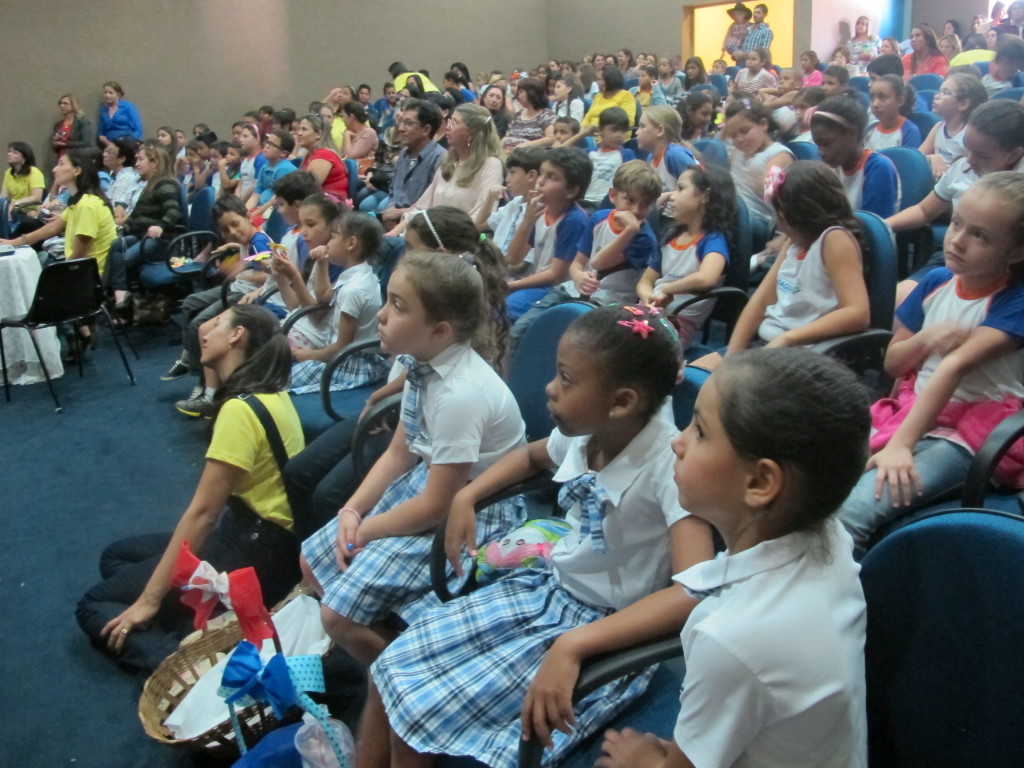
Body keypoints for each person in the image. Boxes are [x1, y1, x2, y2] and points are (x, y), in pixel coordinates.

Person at [369, 304, 714, 768]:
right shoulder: (590, 431)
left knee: (417, 715)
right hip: (546, 590)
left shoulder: (668, 469)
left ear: (622, 402)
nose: (549, 389)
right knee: (387, 671)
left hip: (603, 631)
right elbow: (532, 458)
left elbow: (693, 591)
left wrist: (577, 644)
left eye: (566, 379)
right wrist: (465, 499)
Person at [299, 249, 527, 760]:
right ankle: (381, 663)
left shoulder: (461, 392)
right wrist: (352, 512)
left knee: (336, 614)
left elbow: (432, 508)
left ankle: (399, 690)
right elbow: (401, 452)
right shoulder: (422, 365)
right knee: (311, 563)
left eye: (398, 306)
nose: (380, 315)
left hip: (476, 511)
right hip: (433, 489)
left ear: (441, 330)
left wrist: (366, 532)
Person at [596, 347, 870, 768]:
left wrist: (643, 760)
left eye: (700, 432)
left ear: (760, 482)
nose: (678, 441)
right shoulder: (827, 531)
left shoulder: (733, 639)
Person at [75, 305, 303, 674]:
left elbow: (203, 513)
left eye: (215, 324)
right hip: (265, 538)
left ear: (236, 336)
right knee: (116, 557)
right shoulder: (269, 393)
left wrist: (149, 600)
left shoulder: (239, 410)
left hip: (253, 550)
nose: (204, 332)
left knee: (94, 604)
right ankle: (187, 622)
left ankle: (190, 671)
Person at [283, 207, 513, 541]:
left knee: (328, 496)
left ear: (441, 257)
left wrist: (390, 404)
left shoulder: (465, 340)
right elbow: (420, 372)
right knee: (298, 472)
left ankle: (328, 557)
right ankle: (305, 556)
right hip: (401, 406)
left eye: (412, 248)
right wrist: (382, 395)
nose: (403, 256)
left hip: (421, 429)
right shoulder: (425, 331)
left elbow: (438, 407)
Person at [839, 173, 1024, 557]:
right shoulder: (935, 282)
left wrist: (901, 446)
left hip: (973, 430)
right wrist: (924, 339)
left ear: (1016, 252)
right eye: (956, 223)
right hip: (918, 408)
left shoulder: (1015, 300)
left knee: (852, 513)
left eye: (981, 235)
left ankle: (840, 611)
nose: (956, 239)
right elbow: (892, 362)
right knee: (813, 476)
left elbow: (953, 367)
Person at [693, 161, 869, 370]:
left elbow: (858, 313)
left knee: (719, 395)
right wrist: (731, 356)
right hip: (770, 346)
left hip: (806, 355)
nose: (777, 220)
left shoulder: (835, 240)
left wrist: (789, 338)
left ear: (804, 212)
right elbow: (760, 302)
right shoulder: (794, 242)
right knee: (691, 376)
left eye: (780, 212)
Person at [885, 100, 1024, 287]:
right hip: (954, 258)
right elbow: (924, 211)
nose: (969, 159)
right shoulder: (963, 167)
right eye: (967, 146)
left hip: (1007, 273)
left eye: (982, 155)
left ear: (1014, 155)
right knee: (898, 302)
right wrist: (882, 226)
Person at [170, 195, 275, 417]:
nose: (233, 232)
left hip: (245, 294)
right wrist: (236, 247)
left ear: (248, 217)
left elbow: (270, 274)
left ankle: (205, 387)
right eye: (226, 230)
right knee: (190, 303)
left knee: (201, 324)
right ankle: (189, 356)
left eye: (235, 224)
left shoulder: (259, 241)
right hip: (238, 287)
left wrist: (243, 270)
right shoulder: (248, 240)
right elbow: (249, 251)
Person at [283, 212, 386, 394]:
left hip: (349, 364)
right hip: (340, 356)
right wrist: (322, 263)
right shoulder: (357, 274)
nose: (328, 244)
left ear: (351, 243)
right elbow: (323, 296)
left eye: (333, 236)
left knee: (280, 383)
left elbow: (343, 346)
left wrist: (310, 355)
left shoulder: (354, 289)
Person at [637, 164, 735, 348]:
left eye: (680, 189)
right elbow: (645, 281)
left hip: (678, 322)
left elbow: (707, 277)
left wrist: (668, 290)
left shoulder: (712, 239)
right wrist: (648, 297)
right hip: (649, 312)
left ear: (705, 197)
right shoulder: (669, 238)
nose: (672, 196)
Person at [505, 147, 592, 328]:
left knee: (508, 306)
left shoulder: (574, 220)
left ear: (571, 191)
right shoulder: (541, 211)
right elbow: (513, 258)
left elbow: (555, 275)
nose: (540, 182)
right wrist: (526, 222)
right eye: (542, 174)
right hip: (538, 284)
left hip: (559, 291)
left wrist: (513, 285)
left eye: (552, 177)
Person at [388, 103, 504, 235]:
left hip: (457, 239)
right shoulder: (449, 162)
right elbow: (421, 208)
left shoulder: (490, 165)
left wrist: (439, 233)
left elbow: (482, 215)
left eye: (454, 122)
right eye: (449, 121)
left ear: (472, 133)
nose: (447, 127)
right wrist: (392, 235)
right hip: (431, 234)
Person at [566, 160, 661, 305]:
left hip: (609, 301)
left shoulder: (644, 238)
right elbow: (577, 263)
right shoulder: (598, 218)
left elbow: (599, 263)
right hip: (576, 291)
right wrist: (578, 276)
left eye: (646, 204)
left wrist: (630, 230)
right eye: (629, 200)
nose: (636, 210)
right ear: (612, 195)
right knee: (529, 323)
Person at [106, 144, 183, 303]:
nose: (136, 163)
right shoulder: (149, 186)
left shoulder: (165, 184)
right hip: (143, 237)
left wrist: (160, 226)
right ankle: (119, 295)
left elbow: (174, 212)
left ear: (154, 163)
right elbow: (135, 218)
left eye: (141, 159)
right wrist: (121, 229)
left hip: (162, 242)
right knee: (117, 244)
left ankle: (118, 297)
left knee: (126, 258)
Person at [811, 95, 901, 217]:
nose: (821, 152)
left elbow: (869, 229)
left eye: (826, 144)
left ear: (852, 134)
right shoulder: (832, 167)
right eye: (818, 145)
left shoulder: (878, 168)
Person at [722, 100, 793, 230]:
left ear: (763, 124)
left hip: (761, 223)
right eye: (733, 135)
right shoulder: (737, 153)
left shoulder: (778, 155)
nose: (739, 139)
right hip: (735, 213)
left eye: (744, 131)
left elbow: (779, 199)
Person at [379, 99, 446, 228]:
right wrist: (391, 210)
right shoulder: (404, 154)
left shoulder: (440, 159)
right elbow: (394, 190)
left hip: (420, 226)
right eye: (401, 121)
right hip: (394, 222)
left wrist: (400, 213)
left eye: (408, 123)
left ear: (426, 130)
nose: (401, 128)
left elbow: (435, 206)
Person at [475, 145, 544, 257]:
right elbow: (479, 226)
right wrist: (490, 198)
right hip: (496, 265)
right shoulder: (514, 203)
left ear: (531, 175)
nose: (507, 179)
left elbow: (520, 264)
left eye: (512, 173)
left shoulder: (539, 211)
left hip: (510, 273)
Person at [919, 72, 988, 179]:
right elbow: (917, 157)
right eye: (939, 91)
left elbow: (966, 169)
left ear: (963, 104)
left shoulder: (969, 133)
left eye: (946, 92)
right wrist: (933, 158)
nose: (937, 96)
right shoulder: (938, 127)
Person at [634, 106, 697, 212]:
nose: (637, 132)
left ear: (660, 130)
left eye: (642, 126)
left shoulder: (675, 155)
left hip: (679, 219)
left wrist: (668, 195)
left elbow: (698, 189)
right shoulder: (650, 158)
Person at [578, 106, 634, 209]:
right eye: (614, 130)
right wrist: (583, 134)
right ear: (600, 130)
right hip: (585, 203)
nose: (619, 135)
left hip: (608, 205)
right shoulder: (589, 153)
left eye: (623, 131)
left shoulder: (626, 154)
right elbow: (557, 152)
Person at [295, 113, 349, 200]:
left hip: (330, 206)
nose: (299, 133)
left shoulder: (324, 155)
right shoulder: (309, 154)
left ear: (318, 134)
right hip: (317, 202)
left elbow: (306, 189)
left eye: (304, 129)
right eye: (298, 129)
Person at [866, 74, 922, 150]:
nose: (875, 104)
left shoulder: (909, 131)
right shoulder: (870, 129)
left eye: (882, 97)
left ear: (900, 101)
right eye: (872, 98)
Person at [1, 142, 46, 236]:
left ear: (24, 157)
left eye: (15, 152)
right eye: (9, 151)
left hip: (28, 211)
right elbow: (3, 197)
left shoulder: (34, 172)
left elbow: (36, 197)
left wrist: (14, 203)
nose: (9, 154)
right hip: (12, 211)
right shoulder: (8, 173)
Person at [502, 78, 556, 151]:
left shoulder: (547, 115)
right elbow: (507, 137)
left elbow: (550, 138)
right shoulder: (518, 114)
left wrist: (526, 145)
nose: (518, 96)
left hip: (531, 156)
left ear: (531, 94)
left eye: (521, 92)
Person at [96, 81, 142, 146]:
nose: (107, 95)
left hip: (127, 144)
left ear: (118, 94)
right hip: (110, 146)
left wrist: (132, 143)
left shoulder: (128, 107)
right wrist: (110, 145)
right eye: (105, 92)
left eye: (110, 93)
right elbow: (101, 135)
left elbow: (138, 129)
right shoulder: (103, 111)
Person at [51, 93, 93, 158]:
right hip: (61, 160)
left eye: (65, 103)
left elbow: (85, 143)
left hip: (77, 159)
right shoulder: (58, 125)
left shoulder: (82, 123)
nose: (62, 106)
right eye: (60, 103)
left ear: (73, 105)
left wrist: (66, 144)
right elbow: (54, 148)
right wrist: (55, 143)